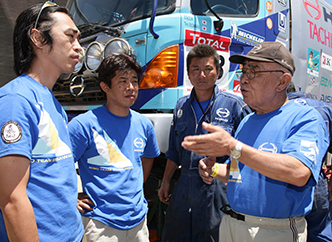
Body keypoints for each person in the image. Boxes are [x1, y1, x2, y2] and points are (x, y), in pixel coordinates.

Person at [182, 41, 329, 242]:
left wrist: (233, 146)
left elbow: (299, 172)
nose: (244, 80)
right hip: (231, 226)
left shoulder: (306, 118)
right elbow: (236, 172)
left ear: (282, 81)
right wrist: (213, 169)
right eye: (243, 72)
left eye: (254, 72)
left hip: (273, 232)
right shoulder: (246, 121)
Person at [0, 2, 84, 242]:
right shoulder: (16, 100)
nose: (78, 47)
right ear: (37, 38)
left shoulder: (52, 101)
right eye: (70, 36)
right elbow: (12, 199)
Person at [158, 43, 251, 242]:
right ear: (188, 74)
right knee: (175, 235)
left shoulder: (234, 106)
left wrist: (224, 170)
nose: (202, 75)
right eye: (196, 70)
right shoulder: (181, 106)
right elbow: (174, 150)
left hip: (217, 184)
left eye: (208, 69)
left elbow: (246, 152)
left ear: (218, 72)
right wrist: (166, 181)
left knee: (214, 236)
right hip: (185, 184)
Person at [68, 53, 160, 242]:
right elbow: (59, 164)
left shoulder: (144, 124)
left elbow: (149, 156)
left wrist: (135, 185)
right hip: (101, 224)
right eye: (123, 81)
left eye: (134, 81)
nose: (131, 87)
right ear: (105, 87)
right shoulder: (83, 125)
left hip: (138, 222)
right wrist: (72, 196)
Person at [287, 82, 332, 242]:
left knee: (288, 231)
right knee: (320, 232)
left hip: (287, 185)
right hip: (318, 182)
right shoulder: (324, 108)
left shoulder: (280, 111)